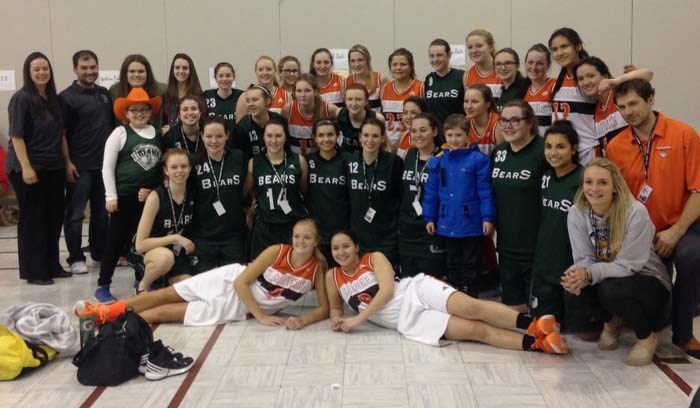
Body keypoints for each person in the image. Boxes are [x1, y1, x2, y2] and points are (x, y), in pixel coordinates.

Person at [326, 230, 567, 354]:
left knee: (472, 307)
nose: (341, 252)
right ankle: (538, 345)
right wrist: (337, 318)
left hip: (414, 291)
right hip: (406, 321)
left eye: (346, 246)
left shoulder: (373, 258)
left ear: (356, 247)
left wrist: (357, 319)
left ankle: (534, 325)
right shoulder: (332, 276)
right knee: (474, 329)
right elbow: (335, 307)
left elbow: (387, 291)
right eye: (336, 248)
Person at [75, 219, 329, 329]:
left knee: (165, 314)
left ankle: (115, 324)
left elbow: (324, 309)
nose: (301, 242)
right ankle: (103, 312)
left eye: (307, 238)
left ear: (316, 240)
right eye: (297, 236)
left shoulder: (318, 267)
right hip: (229, 281)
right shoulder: (277, 251)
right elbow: (242, 282)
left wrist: (302, 321)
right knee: (164, 295)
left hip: (238, 308)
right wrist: (262, 315)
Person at [606, 79, 700, 363]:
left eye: (633, 103)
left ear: (651, 100)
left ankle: (683, 334)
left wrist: (676, 230)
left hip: (684, 225)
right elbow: (618, 199)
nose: (628, 112)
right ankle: (644, 324)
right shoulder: (616, 146)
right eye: (621, 107)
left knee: (690, 258)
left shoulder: (684, 135)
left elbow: (698, 190)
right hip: (641, 230)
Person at [563, 158, 671, 366]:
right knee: (572, 288)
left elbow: (630, 265)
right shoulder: (577, 212)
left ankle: (647, 337)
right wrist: (576, 275)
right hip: (609, 279)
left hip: (649, 282)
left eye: (602, 182)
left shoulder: (634, 212)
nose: (594, 189)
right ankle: (610, 323)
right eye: (589, 182)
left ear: (615, 187)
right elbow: (583, 258)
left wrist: (589, 274)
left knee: (610, 288)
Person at [7, 52, 73, 285]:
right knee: (33, 221)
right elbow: (16, 136)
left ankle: (52, 265)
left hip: (53, 167)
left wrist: (67, 163)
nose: (42, 72)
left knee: (53, 218)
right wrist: (26, 167)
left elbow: (61, 134)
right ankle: (34, 271)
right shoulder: (21, 98)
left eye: (45, 68)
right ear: (29, 72)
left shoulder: (53, 99)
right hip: (29, 168)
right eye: (37, 69)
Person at [529, 121, 600, 336]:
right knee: (543, 327)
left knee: (583, 333)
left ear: (574, 149)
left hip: (572, 267)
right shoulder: (546, 178)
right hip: (545, 265)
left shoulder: (583, 181)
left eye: (560, 147)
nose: (553, 153)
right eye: (548, 146)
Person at [97, 87, 164, 303]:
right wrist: (111, 196)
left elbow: (159, 168)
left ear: (150, 111)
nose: (139, 114)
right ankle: (103, 284)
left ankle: (140, 278)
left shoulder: (157, 134)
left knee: (141, 241)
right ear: (126, 113)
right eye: (133, 110)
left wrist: (153, 190)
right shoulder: (120, 133)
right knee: (115, 241)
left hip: (147, 198)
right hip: (124, 196)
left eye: (143, 110)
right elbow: (107, 167)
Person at [423, 114, 494, 296]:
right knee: (452, 261)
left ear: (467, 136)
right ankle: (454, 297)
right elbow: (431, 192)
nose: (454, 140)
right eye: (450, 135)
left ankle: (471, 296)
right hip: (447, 222)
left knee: (471, 263)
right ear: (444, 136)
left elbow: (485, 191)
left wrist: (488, 218)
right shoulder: (439, 160)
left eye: (458, 135)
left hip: (471, 222)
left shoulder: (479, 160)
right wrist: (429, 217)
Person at [59, 50, 114, 275]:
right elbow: (61, 134)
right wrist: (67, 163)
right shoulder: (66, 97)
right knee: (75, 214)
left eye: (93, 67)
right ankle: (75, 257)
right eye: (84, 68)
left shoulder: (104, 94)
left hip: (104, 167)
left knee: (101, 214)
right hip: (80, 166)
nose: (90, 71)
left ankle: (99, 252)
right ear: (75, 69)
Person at [491, 100, 548, 311]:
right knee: (513, 312)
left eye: (515, 120)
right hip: (506, 247)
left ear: (530, 122)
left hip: (536, 248)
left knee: (539, 314)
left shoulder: (544, 151)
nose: (508, 126)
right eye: (504, 120)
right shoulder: (499, 153)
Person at [189, 116, 248, 273]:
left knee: (232, 282)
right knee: (205, 284)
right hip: (203, 235)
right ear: (201, 136)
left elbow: (247, 188)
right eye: (209, 136)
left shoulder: (238, 157)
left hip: (233, 234)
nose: (213, 141)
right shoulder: (193, 161)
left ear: (227, 135)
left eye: (219, 136)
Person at [245, 117, 308, 258]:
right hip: (265, 227)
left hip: (292, 226)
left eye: (278, 136)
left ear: (286, 137)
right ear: (264, 137)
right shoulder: (254, 163)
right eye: (269, 136)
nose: (273, 140)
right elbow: (247, 193)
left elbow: (305, 192)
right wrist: (250, 209)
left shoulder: (299, 161)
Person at [134, 149, 195, 293]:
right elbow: (140, 245)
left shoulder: (193, 193)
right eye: (174, 167)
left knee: (190, 289)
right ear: (166, 171)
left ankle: (164, 280)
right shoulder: (156, 196)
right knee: (164, 259)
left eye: (184, 166)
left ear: (190, 168)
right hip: (153, 250)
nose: (180, 171)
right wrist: (174, 238)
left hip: (178, 252)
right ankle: (143, 285)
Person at [346, 118, 403, 268]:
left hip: (386, 237)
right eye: (366, 135)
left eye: (375, 136)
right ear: (360, 137)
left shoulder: (394, 162)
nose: (370, 140)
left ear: (383, 138)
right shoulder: (349, 161)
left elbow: (401, 197)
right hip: (358, 236)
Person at [574, 57, 653, 157]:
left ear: (605, 76)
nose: (586, 82)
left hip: (636, 160)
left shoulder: (619, 95)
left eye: (591, 76)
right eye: (581, 79)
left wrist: (617, 81)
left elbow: (649, 73)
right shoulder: (596, 108)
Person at [399, 113, 446, 278]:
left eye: (423, 130)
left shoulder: (443, 157)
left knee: (429, 286)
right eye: (413, 131)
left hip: (430, 231)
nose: (417, 135)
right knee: (407, 284)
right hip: (406, 230)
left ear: (434, 131)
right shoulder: (410, 155)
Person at [305, 119, 351, 264]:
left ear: (338, 136)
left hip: (342, 231)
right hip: (317, 232)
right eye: (321, 135)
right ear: (315, 138)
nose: (326, 139)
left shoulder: (348, 160)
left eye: (330, 135)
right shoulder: (307, 161)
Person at [548, 28, 596, 164]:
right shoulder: (558, 82)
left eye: (564, 47)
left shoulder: (590, 76)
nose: (559, 53)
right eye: (555, 49)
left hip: (587, 151)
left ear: (578, 46)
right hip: (563, 153)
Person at [282, 74, 338, 155]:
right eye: (299, 91)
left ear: (316, 91)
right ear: (294, 92)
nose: (303, 95)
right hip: (295, 160)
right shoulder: (287, 109)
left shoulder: (329, 109)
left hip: (320, 160)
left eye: (307, 90)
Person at [381, 48, 424, 151]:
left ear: (411, 67)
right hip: (387, 146)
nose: (398, 68)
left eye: (403, 64)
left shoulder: (421, 87)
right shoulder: (384, 89)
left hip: (412, 144)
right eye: (394, 64)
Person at [232, 85, 287, 161]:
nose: (251, 104)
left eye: (255, 100)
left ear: (267, 101)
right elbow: (240, 158)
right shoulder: (241, 127)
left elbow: (287, 149)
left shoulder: (280, 121)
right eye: (248, 101)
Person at [424, 39, 466, 123]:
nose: (435, 59)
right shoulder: (429, 79)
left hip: (456, 132)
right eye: (432, 56)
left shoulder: (462, 76)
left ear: (449, 55)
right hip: (435, 133)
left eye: (439, 55)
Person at [336, 83, 382, 153]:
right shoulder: (339, 113)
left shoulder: (377, 118)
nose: (354, 103)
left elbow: (385, 145)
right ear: (345, 101)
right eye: (350, 99)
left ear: (366, 101)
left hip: (368, 159)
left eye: (358, 99)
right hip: (345, 159)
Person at [162, 53, 204, 131]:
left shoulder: (199, 95)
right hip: (171, 139)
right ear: (173, 70)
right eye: (177, 67)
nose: (181, 71)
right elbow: (163, 121)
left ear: (190, 70)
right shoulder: (166, 95)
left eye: (185, 68)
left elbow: (202, 121)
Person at [523, 44, 556, 136]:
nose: (534, 67)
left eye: (540, 63)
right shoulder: (522, 90)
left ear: (548, 65)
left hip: (548, 145)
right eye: (530, 62)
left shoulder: (554, 86)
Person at [204, 62, 243, 135]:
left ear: (234, 77)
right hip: (214, 141)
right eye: (221, 76)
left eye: (228, 75)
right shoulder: (207, 96)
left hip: (236, 142)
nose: (224, 79)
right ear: (215, 78)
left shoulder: (241, 96)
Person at [464, 84, 503, 156]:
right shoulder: (464, 123)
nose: (468, 106)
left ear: (488, 104)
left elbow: (503, 158)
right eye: (466, 101)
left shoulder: (498, 125)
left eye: (474, 102)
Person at [346, 44, 386, 111]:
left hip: (375, 121)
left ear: (368, 60)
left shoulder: (380, 79)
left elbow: (386, 108)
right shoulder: (346, 82)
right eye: (353, 61)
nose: (357, 64)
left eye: (360, 60)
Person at [464, 29, 500, 99]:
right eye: (470, 47)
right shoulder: (467, 75)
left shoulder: (504, 70)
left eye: (479, 46)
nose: (474, 51)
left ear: (491, 47)